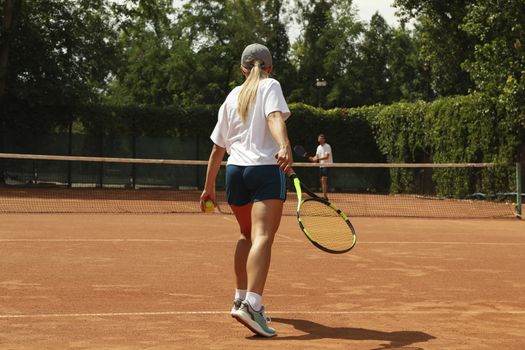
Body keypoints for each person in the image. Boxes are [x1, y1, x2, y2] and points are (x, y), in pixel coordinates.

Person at [199, 43, 292, 337]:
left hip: (235, 173)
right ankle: (252, 304)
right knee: (263, 236)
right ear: (270, 68)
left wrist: (208, 188)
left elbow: (217, 148)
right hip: (265, 170)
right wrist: (283, 145)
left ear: (242, 69)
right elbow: (274, 117)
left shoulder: (231, 96)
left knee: (245, 234)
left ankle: (240, 296)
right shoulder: (271, 85)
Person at [308, 134, 333, 200]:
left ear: (324, 139)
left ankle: (325, 196)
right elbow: (317, 157)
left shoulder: (327, 146)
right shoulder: (318, 147)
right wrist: (313, 158)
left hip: (327, 165)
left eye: (321, 138)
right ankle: (325, 196)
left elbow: (327, 156)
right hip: (321, 166)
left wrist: (317, 159)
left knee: (323, 180)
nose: (320, 139)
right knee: (322, 181)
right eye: (319, 138)